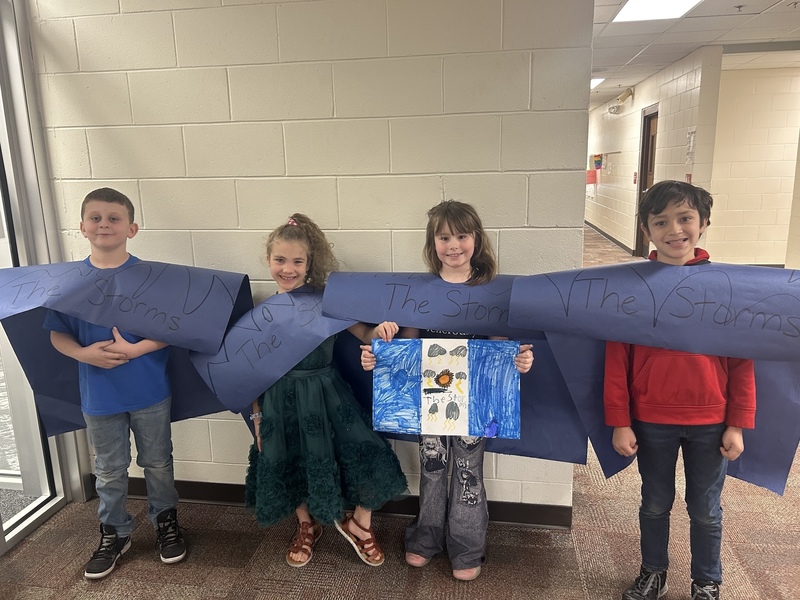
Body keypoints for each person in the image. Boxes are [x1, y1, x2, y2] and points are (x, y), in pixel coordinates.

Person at [360, 200, 534, 581]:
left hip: (474, 400)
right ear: (432, 242)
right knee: (434, 467)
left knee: (468, 471)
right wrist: (380, 352)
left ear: (476, 239)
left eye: (461, 235)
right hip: (431, 399)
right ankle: (425, 539)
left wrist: (519, 362)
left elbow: (501, 348)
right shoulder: (420, 291)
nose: (453, 244)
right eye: (444, 237)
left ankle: (467, 546)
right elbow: (405, 349)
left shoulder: (490, 290)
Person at [604, 181, 756, 600]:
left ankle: (706, 580)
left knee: (705, 509)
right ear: (647, 230)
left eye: (685, 218)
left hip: (711, 420)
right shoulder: (633, 287)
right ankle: (653, 572)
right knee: (654, 503)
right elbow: (616, 361)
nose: (675, 229)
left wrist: (738, 424)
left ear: (703, 224)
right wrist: (620, 421)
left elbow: (742, 360)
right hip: (652, 420)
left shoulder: (724, 286)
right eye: (661, 221)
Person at [244, 213, 408, 569]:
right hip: (279, 400)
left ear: (309, 263)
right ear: (269, 261)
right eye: (280, 260)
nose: (288, 269)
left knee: (369, 451)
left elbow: (364, 333)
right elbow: (252, 373)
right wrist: (256, 417)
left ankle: (360, 524)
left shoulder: (326, 302)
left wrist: (381, 331)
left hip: (327, 393)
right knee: (289, 459)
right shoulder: (262, 313)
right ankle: (307, 525)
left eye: (297, 261)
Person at [44, 187, 186, 580]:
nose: (104, 224)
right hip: (99, 395)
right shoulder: (70, 283)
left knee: (158, 462)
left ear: (132, 228)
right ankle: (115, 532)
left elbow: (172, 329)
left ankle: (165, 522)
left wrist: (138, 350)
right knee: (108, 469)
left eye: (113, 218)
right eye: (96, 218)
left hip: (150, 390)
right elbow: (57, 333)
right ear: (82, 227)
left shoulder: (151, 278)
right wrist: (84, 354)